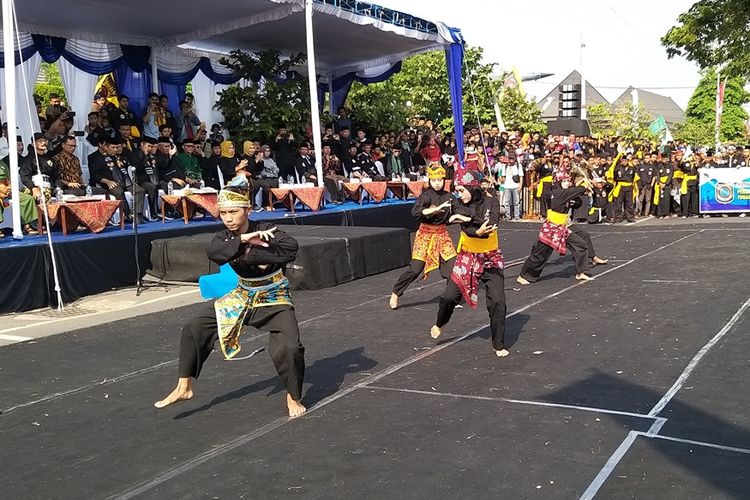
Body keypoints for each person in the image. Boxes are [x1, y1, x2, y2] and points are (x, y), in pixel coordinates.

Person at [154, 176, 306, 418]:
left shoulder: (269, 231)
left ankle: (293, 395)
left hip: (273, 297)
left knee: (290, 347)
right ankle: (184, 386)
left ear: (247, 210)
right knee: (195, 326)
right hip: (242, 294)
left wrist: (252, 249)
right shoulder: (224, 237)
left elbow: (290, 249)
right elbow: (214, 253)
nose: (228, 217)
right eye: (223, 212)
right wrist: (243, 241)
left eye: (233, 211)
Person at [430, 170, 509, 357]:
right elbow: (471, 230)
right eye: (457, 190)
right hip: (468, 256)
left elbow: (492, 224)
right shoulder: (459, 204)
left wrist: (472, 220)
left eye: (461, 190)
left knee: (498, 301)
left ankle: (498, 344)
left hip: (490, 257)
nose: (459, 194)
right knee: (449, 297)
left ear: (472, 188)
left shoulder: (491, 201)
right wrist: (471, 223)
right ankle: (440, 322)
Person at [517, 171, 608, 285]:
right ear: (558, 182)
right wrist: (586, 184)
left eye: (567, 181)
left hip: (563, 226)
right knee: (540, 254)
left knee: (581, 244)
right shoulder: (558, 192)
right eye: (564, 181)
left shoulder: (564, 193)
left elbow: (577, 200)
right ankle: (524, 275)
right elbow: (575, 191)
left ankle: (581, 271)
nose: (567, 183)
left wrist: (575, 200)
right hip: (552, 228)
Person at [390, 165, 457, 309]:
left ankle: (450, 297)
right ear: (430, 180)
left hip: (442, 235)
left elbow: (459, 210)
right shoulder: (425, 196)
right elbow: (415, 212)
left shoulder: (449, 197)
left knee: (452, 267)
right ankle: (396, 292)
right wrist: (434, 210)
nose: (437, 182)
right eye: (434, 180)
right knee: (415, 269)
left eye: (440, 179)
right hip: (425, 235)